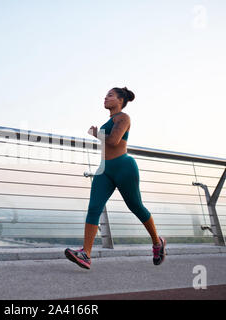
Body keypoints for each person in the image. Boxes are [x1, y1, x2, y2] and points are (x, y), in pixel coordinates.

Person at [65, 86, 166, 269]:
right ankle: (86, 254)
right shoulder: (110, 120)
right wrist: (99, 134)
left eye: (110, 95)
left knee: (135, 206)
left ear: (120, 100)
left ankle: (157, 243)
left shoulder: (123, 118)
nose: (105, 98)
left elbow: (113, 141)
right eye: (105, 95)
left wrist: (97, 134)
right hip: (105, 169)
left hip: (123, 166)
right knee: (94, 207)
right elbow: (108, 140)